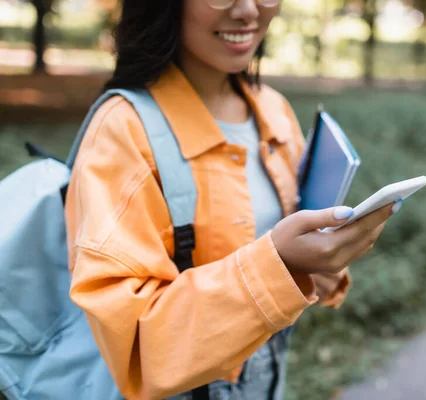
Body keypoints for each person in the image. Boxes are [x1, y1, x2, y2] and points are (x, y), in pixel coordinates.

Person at [64, 0, 401, 399]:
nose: (248, 11)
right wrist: (279, 265)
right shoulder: (122, 131)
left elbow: (285, 251)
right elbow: (136, 344)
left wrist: (316, 266)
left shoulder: (272, 110)